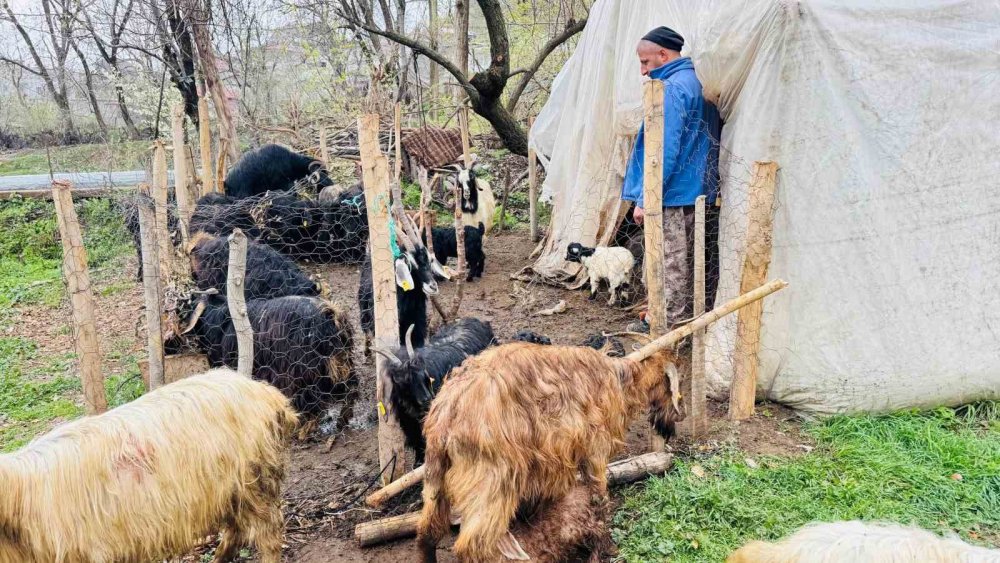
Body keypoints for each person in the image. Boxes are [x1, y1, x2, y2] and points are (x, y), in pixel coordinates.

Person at [621, 26, 719, 331]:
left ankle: (667, 328)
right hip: (696, 189)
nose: (642, 71)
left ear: (663, 55)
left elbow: (663, 148)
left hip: (672, 193)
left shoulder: (672, 88)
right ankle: (687, 320)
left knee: (670, 262)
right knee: (691, 261)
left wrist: (644, 198)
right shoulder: (700, 81)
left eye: (645, 62)